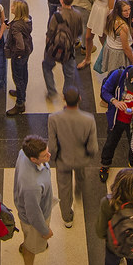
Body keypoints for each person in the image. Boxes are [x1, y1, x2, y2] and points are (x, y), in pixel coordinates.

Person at [48, 89, 99, 227]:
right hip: (82, 159)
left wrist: (54, 157)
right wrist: (89, 154)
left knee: (64, 189)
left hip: (63, 160)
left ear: (64, 99)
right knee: (81, 176)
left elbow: (52, 145)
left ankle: (67, 218)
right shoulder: (88, 119)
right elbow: (93, 147)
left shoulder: (54, 118)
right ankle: (79, 191)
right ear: (80, 99)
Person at [15, 136, 54, 265]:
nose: (49, 156)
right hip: (34, 220)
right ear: (33, 159)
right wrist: (44, 230)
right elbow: (33, 214)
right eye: (44, 155)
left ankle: (27, 242)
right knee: (31, 246)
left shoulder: (22, 153)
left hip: (30, 206)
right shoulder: (32, 185)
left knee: (29, 237)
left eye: (47, 151)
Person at [43, 0, 81, 97]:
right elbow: (79, 33)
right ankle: (67, 93)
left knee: (46, 66)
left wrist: (47, 49)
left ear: (61, 0)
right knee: (69, 72)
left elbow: (50, 33)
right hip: (69, 49)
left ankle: (51, 91)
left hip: (54, 48)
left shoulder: (56, 16)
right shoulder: (77, 15)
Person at [80, 0, 114, 69]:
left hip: (104, 14)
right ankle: (87, 58)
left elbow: (111, 7)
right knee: (88, 37)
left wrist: (107, 22)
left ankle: (108, 59)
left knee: (102, 39)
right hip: (95, 10)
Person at [4, 0, 33, 116]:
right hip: (28, 49)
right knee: (24, 72)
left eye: (13, 6)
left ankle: (20, 103)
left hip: (20, 54)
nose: (11, 7)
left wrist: (16, 53)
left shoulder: (16, 26)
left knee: (17, 77)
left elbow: (20, 45)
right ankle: (21, 91)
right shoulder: (27, 19)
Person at [98, 0, 133, 74]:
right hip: (119, 53)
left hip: (110, 48)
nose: (128, 12)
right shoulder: (123, 27)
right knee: (119, 76)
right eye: (125, 11)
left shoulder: (110, 17)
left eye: (129, 9)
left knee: (112, 74)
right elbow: (125, 48)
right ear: (118, 11)